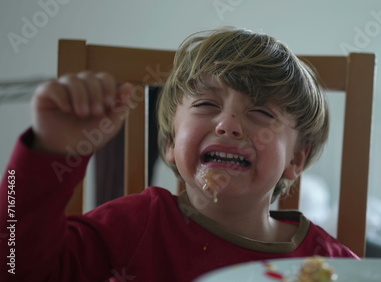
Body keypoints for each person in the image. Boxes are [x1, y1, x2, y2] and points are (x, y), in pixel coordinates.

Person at [0, 27, 357, 281]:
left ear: (296, 159)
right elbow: (13, 265)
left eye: (261, 113)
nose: (228, 125)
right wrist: (47, 152)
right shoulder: (132, 226)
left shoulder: (329, 266)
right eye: (205, 104)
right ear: (171, 142)